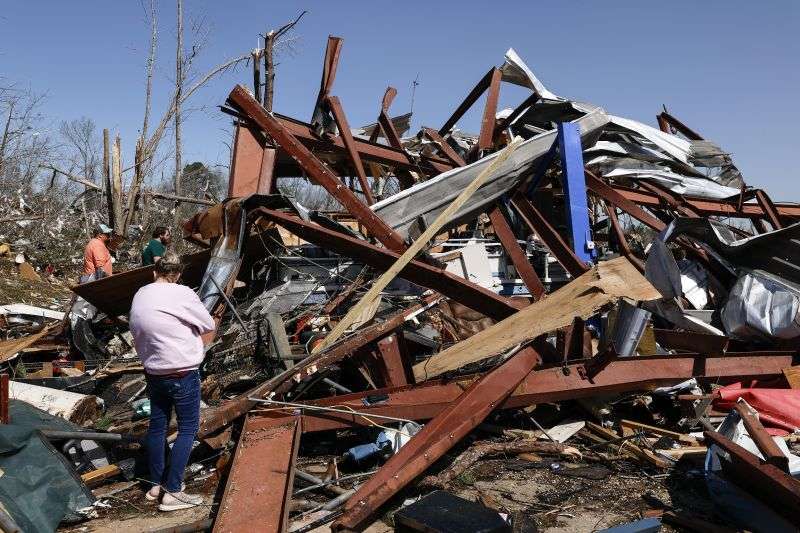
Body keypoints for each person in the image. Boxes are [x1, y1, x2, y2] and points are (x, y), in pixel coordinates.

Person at [129, 252, 215, 511]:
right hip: (182, 371)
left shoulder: (141, 293)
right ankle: (173, 491)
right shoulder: (183, 293)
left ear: (154, 272)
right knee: (188, 428)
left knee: (157, 426)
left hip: (154, 371)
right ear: (177, 274)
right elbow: (208, 324)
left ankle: (155, 485)